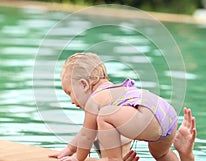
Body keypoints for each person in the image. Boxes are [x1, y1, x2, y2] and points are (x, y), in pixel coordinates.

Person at [49, 52, 196, 161]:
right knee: (162, 154)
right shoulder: (115, 91)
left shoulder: (96, 99)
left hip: (146, 115)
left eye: (70, 93)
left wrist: (76, 158)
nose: (72, 101)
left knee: (104, 116)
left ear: (83, 84)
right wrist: (69, 149)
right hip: (165, 112)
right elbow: (85, 133)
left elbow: (87, 135)